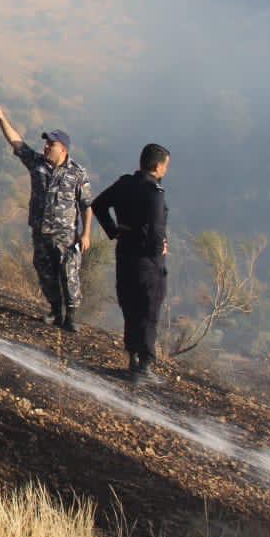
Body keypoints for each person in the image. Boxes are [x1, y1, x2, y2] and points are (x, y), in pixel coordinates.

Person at [0, 102, 93, 332]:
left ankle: (71, 317)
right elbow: (17, 143)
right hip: (40, 232)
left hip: (65, 236)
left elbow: (86, 205)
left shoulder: (77, 173)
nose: (46, 147)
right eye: (46, 143)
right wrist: (1, 118)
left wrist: (85, 234)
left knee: (69, 275)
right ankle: (56, 311)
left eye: (51, 144)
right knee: (45, 273)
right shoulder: (37, 164)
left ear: (63, 149)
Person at [91, 143, 170, 383]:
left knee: (130, 305)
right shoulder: (154, 192)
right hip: (147, 260)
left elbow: (98, 205)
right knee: (148, 309)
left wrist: (114, 231)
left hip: (124, 252)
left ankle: (133, 360)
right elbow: (156, 229)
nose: (166, 171)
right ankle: (144, 367)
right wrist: (159, 253)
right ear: (158, 166)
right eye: (166, 166)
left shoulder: (124, 183)